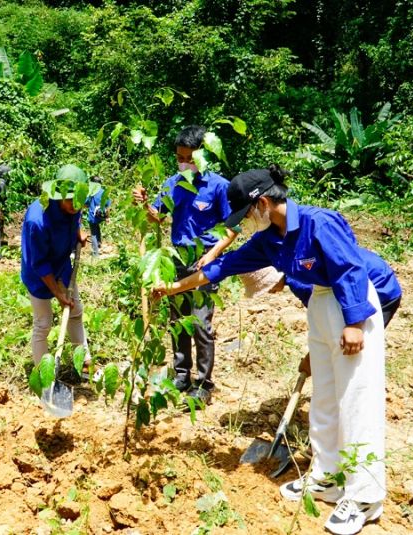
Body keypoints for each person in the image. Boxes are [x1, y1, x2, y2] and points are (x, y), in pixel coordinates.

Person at [153, 165, 392, 535]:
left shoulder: (319, 222)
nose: (246, 222)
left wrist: (354, 322)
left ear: (262, 203)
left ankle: (364, 496)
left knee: (356, 398)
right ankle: (327, 476)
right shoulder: (269, 239)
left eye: (247, 214)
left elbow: (349, 271)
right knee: (326, 397)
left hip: (351, 303)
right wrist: (172, 288)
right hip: (320, 304)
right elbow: (223, 267)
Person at [132, 125, 238, 405]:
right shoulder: (173, 184)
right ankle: (181, 374)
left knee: (201, 324)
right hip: (176, 262)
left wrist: (214, 254)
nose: (184, 162)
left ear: (202, 156)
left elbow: (231, 229)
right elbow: (157, 217)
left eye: (189, 157)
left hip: (204, 263)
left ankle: (203, 382)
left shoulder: (218, 186)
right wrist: (145, 205)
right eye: (179, 157)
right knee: (178, 322)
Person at [21, 164, 96, 373]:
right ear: (57, 194)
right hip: (39, 274)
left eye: (78, 199)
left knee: (75, 311)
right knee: (43, 323)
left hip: (62, 265)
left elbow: (74, 218)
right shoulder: (37, 220)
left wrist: (77, 234)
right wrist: (57, 293)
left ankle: (84, 363)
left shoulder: (75, 204)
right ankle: (43, 375)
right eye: (69, 199)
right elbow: (40, 263)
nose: (75, 204)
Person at [85, 176, 111, 257]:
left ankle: (95, 253)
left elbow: (86, 203)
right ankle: (99, 244)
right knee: (97, 227)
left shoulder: (91, 192)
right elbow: (108, 205)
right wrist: (107, 217)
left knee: (93, 233)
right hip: (101, 215)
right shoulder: (104, 192)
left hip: (93, 216)